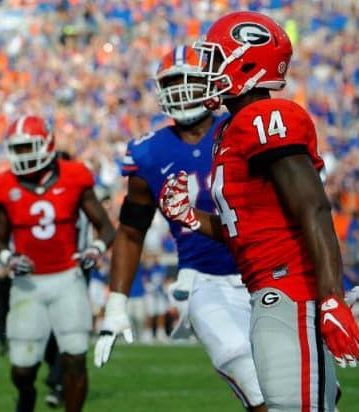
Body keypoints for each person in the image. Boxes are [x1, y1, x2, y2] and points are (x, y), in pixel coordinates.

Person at [159, 10, 359, 410]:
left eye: (216, 60)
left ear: (247, 63)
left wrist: (329, 298)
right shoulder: (229, 130)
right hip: (269, 292)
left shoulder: (267, 117)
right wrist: (191, 217)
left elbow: (314, 207)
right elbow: (248, 231)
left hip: (295, 292)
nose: (208, 72)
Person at [94, 45, 265, 410]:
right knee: (255, 382)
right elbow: (130, 231)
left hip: (270, 272)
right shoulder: (149, 153)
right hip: (207, 283)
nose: (181, 91)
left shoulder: (247, 128)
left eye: (189, 81)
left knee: (310, 393)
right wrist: (116, 304)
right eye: (173, 83)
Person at [0, 115, 115, 412]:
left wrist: (95, 248)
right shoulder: (5, 184)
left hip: (67, 278)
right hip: (27, 283)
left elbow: (106, 227)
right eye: (17, 149)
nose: (22, 156)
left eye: (27, 147)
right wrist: (8, 258)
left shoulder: (74, 175)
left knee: (75, 355)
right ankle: (27, 396)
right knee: (22, 368)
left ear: (47, 144)